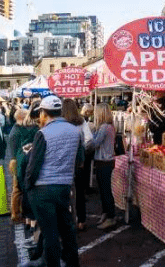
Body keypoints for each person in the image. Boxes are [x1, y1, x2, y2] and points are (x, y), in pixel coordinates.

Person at [24, 96, 82, 267]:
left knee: (50, 232)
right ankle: (72, 262)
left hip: (43, 188)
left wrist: (28, 187)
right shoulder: (75, 130)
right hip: (64, 185)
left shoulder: (43, 133)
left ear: (43, 113)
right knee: (66, 228)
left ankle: (53, 264)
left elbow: (34, 166)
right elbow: (79, 159)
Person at [62, 99, 93, 231]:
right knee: (80, 192)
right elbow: (89, 139)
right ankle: (81, 220)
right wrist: (81, 149)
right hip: (79, 161)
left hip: (64, 162)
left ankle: (68, 220)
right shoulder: (81, 122)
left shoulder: (61, 123)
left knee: (65, 193)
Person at [7, 106, 38, 224]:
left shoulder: (17, 129)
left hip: (18, 161)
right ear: (22, 117)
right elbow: (14, 150)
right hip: (17, 162)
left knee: (18, 188)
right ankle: (15, 213)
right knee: (17, 188)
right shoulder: (17, 130)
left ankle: (17, 213)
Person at [89, 103, 117, 230]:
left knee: (105, 190)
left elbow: (95, 143)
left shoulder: (104, 127)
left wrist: (87, 139)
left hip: (104, 161)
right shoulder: (110, 126)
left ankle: (111, 216)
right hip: (107, 160)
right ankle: (106, 214)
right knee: (104, 189)